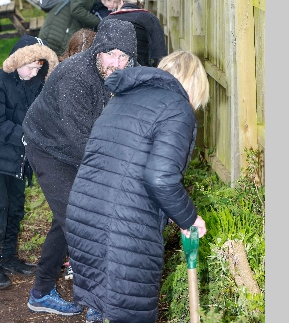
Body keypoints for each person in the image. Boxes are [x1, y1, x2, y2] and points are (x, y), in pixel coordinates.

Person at [65, 50, 210, 323]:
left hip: (86, 215)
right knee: (131, 312)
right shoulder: (177, 107)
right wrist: (189, 218)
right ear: (195, 85)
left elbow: (124, 164)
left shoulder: (125, 96)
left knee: (112, 309)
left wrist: (173, 212)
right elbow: (160, 178)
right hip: (123, 228)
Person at [22, 19, 137, 317]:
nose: (116, 63)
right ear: (98, 51)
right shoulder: (75, 77)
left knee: (66, 219)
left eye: (123, 56)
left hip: (82, 146)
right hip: (50, 149)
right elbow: (82, 142)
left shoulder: (127, 73)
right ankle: (98, 306)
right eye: (110, 54)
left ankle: (41, 292)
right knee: (82, 222)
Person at [0, 35, 59, 289]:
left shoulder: (39, 84)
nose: (33, 72)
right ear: (17, 61)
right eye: (29, 67)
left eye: (38, 68)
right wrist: (25, 136)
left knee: (15, 209)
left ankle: (9, 256)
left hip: (19, 161)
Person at [105, 0, 168, 67]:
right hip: (140, 69)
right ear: (142, 5)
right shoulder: (150, 19)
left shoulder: (106, 20)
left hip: (112, 68)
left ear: (121, 2)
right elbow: (160, 53)